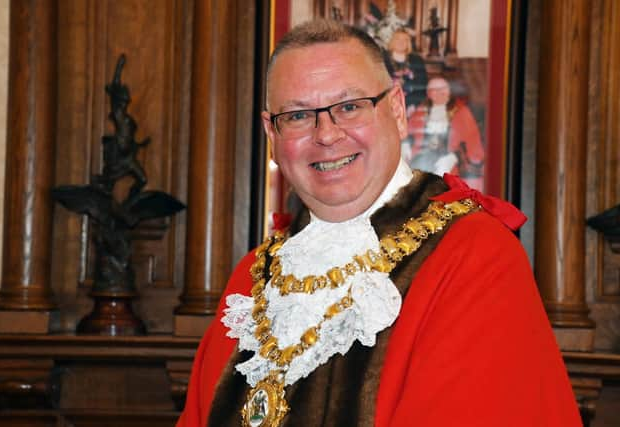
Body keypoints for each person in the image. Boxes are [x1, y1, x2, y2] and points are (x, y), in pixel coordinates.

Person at [177, 19, 581, 427]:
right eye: (298, 115)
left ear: (398, 110)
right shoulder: (251, 279)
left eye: (350, 107)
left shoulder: (474, 255)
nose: (327, 134)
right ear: (272, 132)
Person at [408, 76, 485, 191]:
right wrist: (405, 145)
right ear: (429, 94)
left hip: (450, 160)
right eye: (435, 90)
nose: (440, 93)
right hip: (423, 159)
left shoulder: (461, 112)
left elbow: (472, 143)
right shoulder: (421, 111)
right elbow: (410, 133)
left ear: (449, 91)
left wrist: (454, 156)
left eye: (443, 89)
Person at [384, 28, 428, 114]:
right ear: (392, 41)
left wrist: (413, 105)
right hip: (387, 105)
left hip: (410, 104)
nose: (401, 42)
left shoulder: (417, 60)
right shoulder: (381, 59)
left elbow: (422, 86)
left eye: (405, 39)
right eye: (398, 39)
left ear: (409, 43)